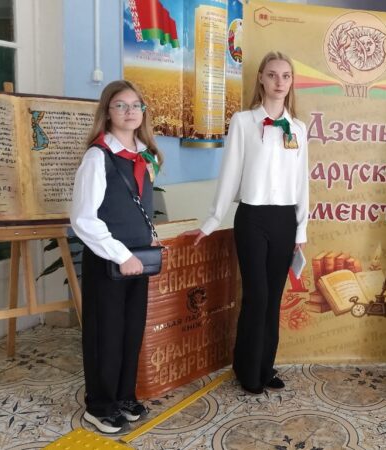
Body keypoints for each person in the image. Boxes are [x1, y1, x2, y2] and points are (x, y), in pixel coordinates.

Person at [183, 51, 309, 394]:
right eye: (272, 75)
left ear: (291, 82)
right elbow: (229, 175)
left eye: (286, 76)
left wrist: (301, 229)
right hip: (252, 218)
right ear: (261, 79)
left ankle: (265, 368)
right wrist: (211, 221)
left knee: (274, 298)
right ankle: (247, 369)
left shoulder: (298, 129)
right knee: (256, 296)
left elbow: (302, 182)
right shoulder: (242, 122)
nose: (279, 82)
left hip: (284, 219)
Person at [71, 80, 162, 434]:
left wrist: (146, 240)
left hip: (137, 260)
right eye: (120, 105)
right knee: (105, 335)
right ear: (107, 112)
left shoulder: (145, 155)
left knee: (130, 331)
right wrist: (121, 255)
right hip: (109, 260)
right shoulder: (98, 157)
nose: (130, 111)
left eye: (136, 105)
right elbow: (83, 218)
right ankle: (100, 405)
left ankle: (124, 395)